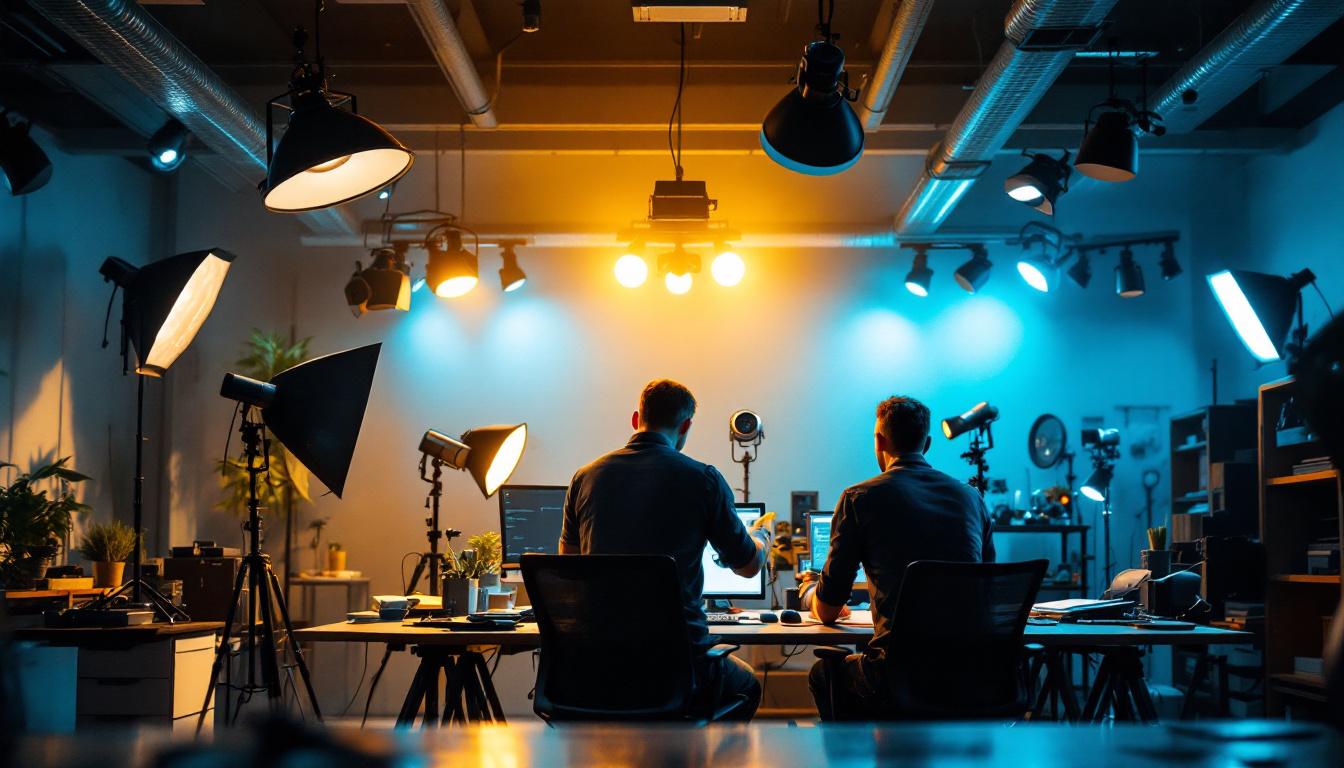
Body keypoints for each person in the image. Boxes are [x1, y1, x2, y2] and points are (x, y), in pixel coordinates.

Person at [560, 378, 772, 720]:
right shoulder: (703, 479)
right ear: (686, 426)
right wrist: (762, 539)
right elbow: (748, 567)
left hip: (600, 664)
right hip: (679, 665)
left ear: (635, 419)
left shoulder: (584, 478)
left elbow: (568, 570)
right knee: (746, 685)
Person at [802, 395, 996, 720]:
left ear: (880, 441)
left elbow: (828, 610)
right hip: (969, 674)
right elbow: (988, 589)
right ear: (928, 443)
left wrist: (810, 593)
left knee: (824, 674)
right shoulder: (971, 498)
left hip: (895, 676)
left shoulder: (858, 498)